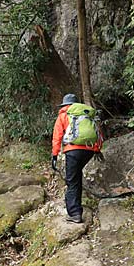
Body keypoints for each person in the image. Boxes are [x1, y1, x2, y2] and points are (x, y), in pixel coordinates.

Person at [51, 93, 103, 223]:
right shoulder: (86, 115)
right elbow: (97, 133)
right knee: (76, 176)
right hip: (89, 151)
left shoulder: (63, 115)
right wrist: (96, 149)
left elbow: (57, 136)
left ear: (65, 105)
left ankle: (74, 213)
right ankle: (77, 207)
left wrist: (55, 155)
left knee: (72, 181)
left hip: (73, 150)